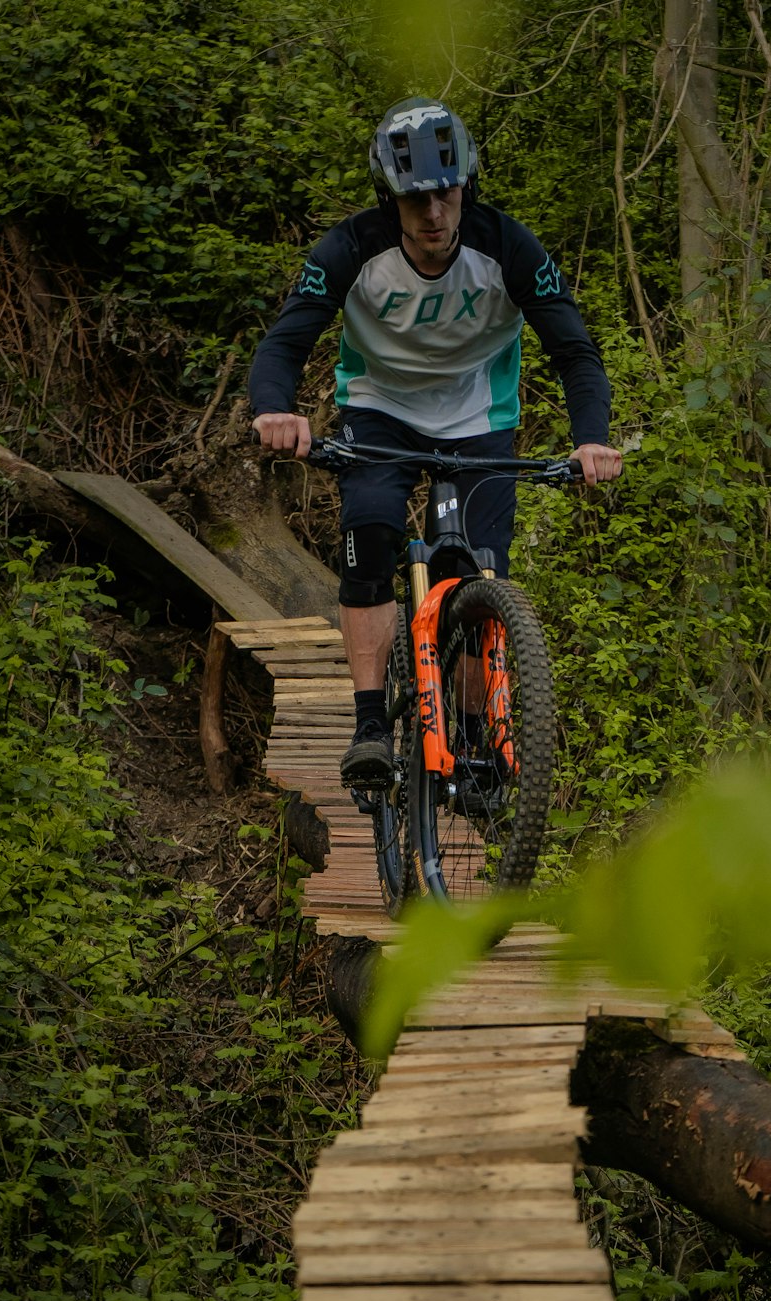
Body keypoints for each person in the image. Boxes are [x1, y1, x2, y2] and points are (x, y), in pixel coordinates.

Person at [249, 96, 621, 788]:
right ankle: (368, 727)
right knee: (369, 533)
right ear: (388, 196)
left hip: (479, 418)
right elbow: (284, 344)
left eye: (445, 193)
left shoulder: (508, 248)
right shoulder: (350, 249)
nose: (433, 214)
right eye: (414, 197)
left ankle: (478, 737)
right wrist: (276, 412)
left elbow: (576, 354)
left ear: (467, 185)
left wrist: (590, 441)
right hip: (379, 411)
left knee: (481, 578)